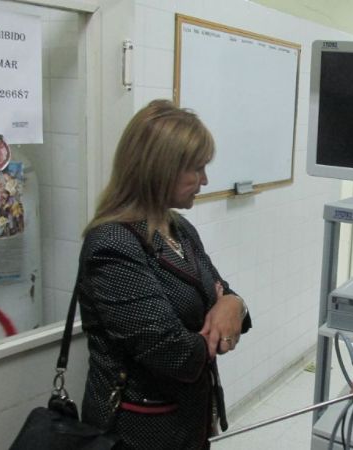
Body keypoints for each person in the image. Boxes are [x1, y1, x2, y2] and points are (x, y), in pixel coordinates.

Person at [76, 100, 252, 449]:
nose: (205, 180)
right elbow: (175, 354)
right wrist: (219, 320)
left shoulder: (179, 228)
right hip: (139, 433)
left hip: (189, 422)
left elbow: (227, 298)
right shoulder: (112, 244)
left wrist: (235, 304)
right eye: (196, 169)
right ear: (159, 169)